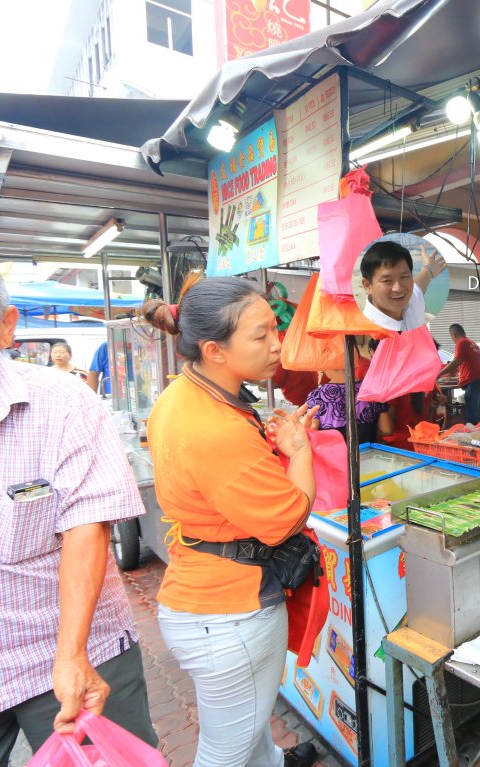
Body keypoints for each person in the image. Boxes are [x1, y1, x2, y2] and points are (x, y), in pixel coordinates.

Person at [0, 256, 157, 765]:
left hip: (71, 652)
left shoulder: (61, 401)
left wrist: (72, 654)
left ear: (7, 328)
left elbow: (88, 526)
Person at [143, 275, 319, 767]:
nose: (277, 344)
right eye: (261, 336)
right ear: (214, 350)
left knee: (248, 723)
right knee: (224, 751)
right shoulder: (217, 430)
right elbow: (288, 518)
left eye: (273, 329)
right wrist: (298, 453)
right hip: (229, 615)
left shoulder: (181, 394)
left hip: (199, 593)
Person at [358, 240, 446, 332]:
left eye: (404, 277)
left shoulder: (411, 300)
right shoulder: (366, 329)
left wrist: (429, 269)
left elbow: (420, 284)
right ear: (367, 286)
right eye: (387, 280)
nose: (398, 288)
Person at [305, 357, 392, 444]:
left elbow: (312, 430)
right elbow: (386, 430)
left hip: (334, 455)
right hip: (366, 453)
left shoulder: (317, 395)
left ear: (329, 366)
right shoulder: (372, 390)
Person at [436, 324, 480, 424]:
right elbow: (468, 362)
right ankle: (479, 436)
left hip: (473, 384)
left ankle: (474, 438)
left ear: (453, 335)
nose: (453, 341)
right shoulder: (471, 343)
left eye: (452, 338)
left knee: (472, 418)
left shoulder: (461, 343)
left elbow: (456, 361)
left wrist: (439, 373)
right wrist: (454, 371)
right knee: (476, 416)